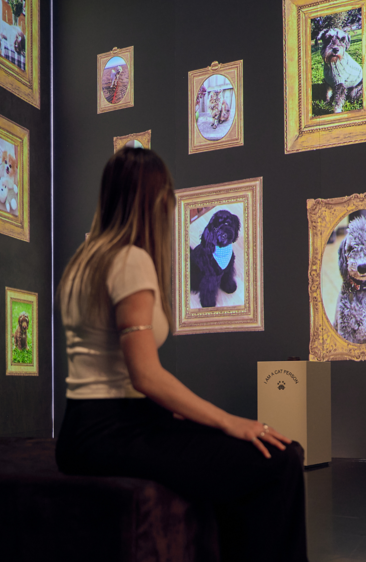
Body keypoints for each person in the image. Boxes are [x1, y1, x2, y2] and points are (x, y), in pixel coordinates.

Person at [55, 148, 308, 561]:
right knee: (281, 459)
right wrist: (231, 422)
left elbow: (116, 376)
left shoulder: (81, 263)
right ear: (156, 202)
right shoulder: (130, 260)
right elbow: (145, 377)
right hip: (113, 435)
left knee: (257, 453)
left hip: (86, 431)